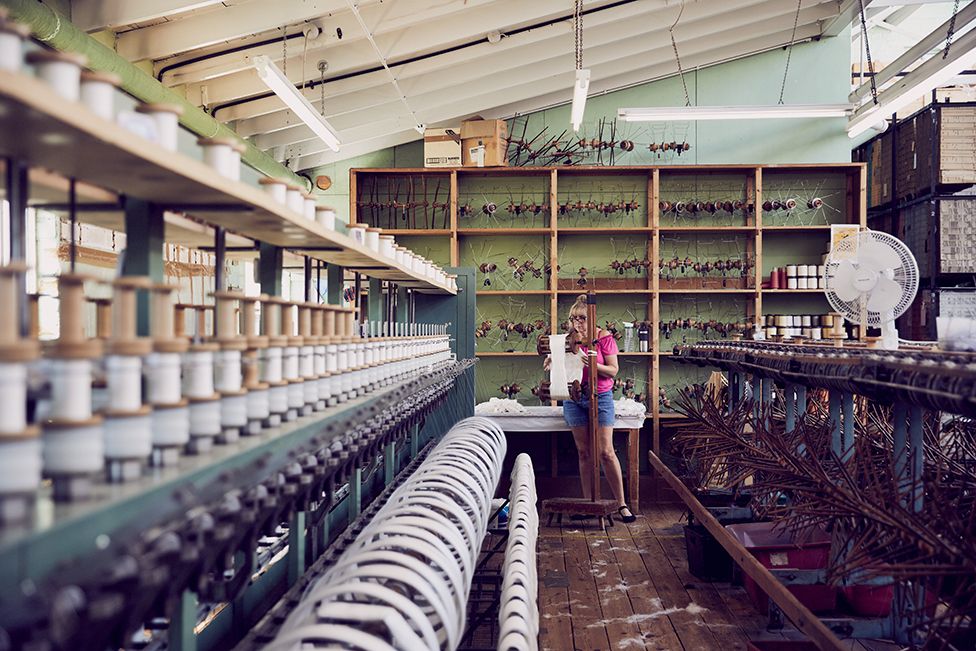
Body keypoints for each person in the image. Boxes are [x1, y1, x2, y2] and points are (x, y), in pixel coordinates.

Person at [545, 295, 636, 523]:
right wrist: (550, 361)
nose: (578, 323)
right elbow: (559, 361)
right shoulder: (568, 340)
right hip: (574, 398)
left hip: (601, 396)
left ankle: (622, 505)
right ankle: (588, 504)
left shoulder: (604, 338)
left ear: (592, 318)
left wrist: (596, 365)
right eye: (574, 318)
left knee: (606, 451)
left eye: (582, 318)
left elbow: (614, 370)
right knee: (584, 453)